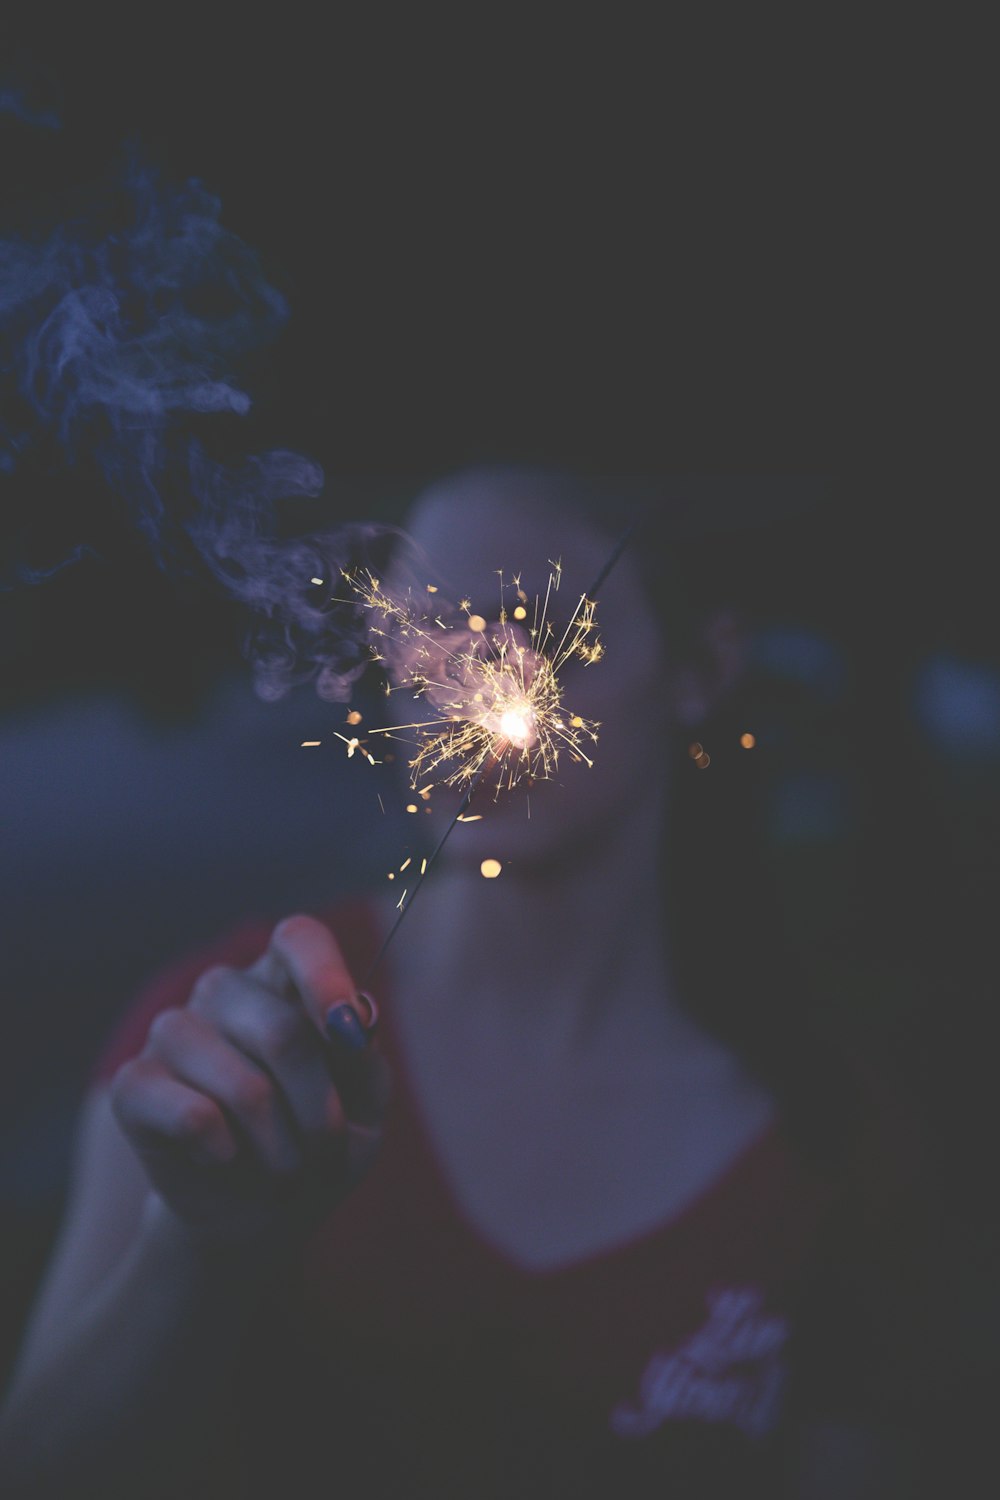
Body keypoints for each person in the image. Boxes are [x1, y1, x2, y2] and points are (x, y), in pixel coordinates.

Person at [0, 469, 924, 1497]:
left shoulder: (821, 1142)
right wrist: (198, 1250)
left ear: (701, 666)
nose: (465, 695)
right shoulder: (241, 1040)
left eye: (526, 631)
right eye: (418, 640)